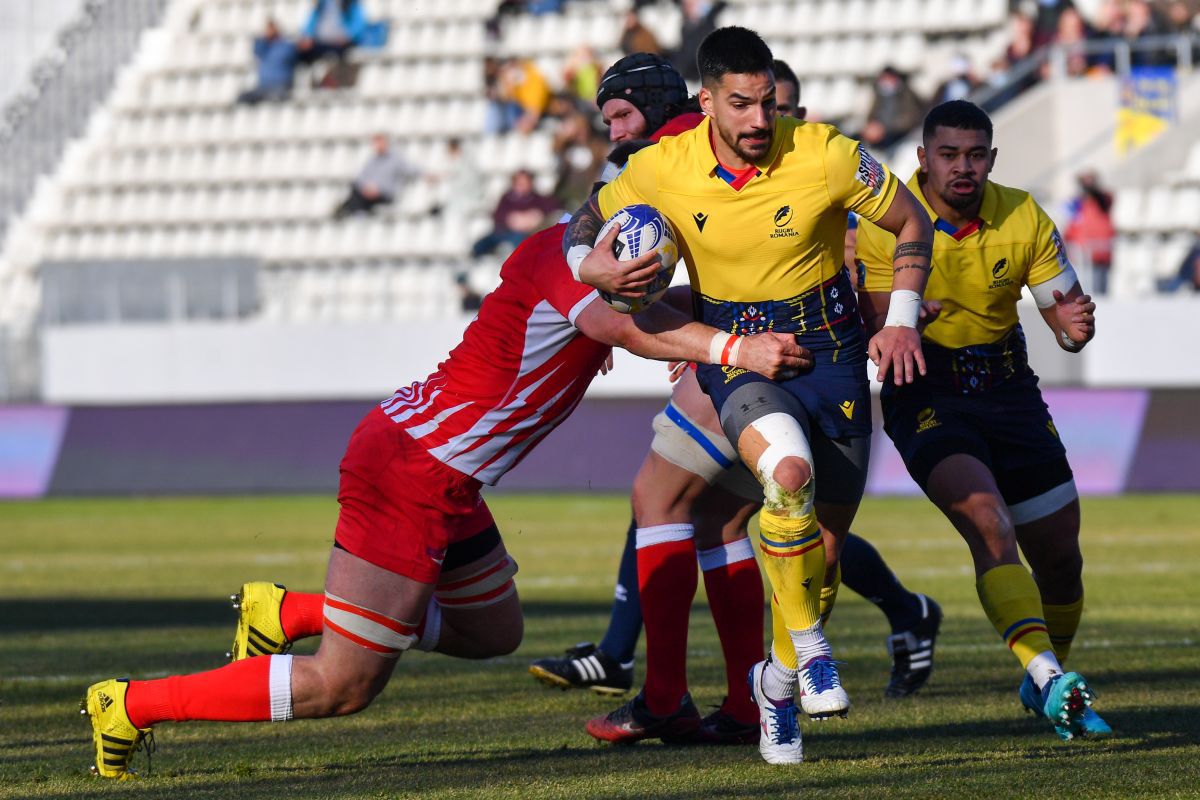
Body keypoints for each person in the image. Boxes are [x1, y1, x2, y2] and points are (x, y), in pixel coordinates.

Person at [80, 199, 808, 781]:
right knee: (343, 685)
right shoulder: (564, 262)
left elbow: (646, 310)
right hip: (409, 469)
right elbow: (626, 327)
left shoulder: (586, 259)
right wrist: (734, 346)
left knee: (494, 632)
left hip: (442, 475)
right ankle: (132, 704)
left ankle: (289, 609)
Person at [530, 60, 944, 745]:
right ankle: (723, 682)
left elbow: (867, 233)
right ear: (710, 102)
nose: (613, 133)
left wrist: (890, 311)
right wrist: (660, 310)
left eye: (621, 116)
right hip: (733, 357)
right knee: (735, 501)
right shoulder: (661, 167)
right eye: (746, 104)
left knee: (749, 525)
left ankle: (739, 687)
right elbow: (600, 238)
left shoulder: (792, 153)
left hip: (807, 352)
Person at [855, 99, 1112, 743]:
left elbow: (1064, 313)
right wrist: (905, 318)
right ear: (922, 159)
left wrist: (1074, 329)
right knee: (989, 523)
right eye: (948, 155)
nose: (962, 168)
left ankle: (1043, 672)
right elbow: (877, 316)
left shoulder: (1022, 212)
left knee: (1060, 559)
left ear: (991, 160)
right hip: (927, 389)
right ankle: (1054, 679)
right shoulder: (887, 218)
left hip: (1009, 388)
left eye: (975, 156)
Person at [471, 169, 560, 257]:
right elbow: (497, 215)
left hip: (523, 235)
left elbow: (553, 210)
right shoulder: (507, 198)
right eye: (519, 182)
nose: (522, 185)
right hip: (504, 232)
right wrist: (510, 219)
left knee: (519, 241)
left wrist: (536, 216)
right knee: (481, 244)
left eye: (525, 182)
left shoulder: (537, 199)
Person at [332, 133, 416, 219]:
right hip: (368, 194)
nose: (378, 146)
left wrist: (378, 189)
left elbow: (411, 168)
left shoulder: (396, 159)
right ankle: (355, 212)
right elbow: (361, 178)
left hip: (385, 194)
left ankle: (352, 211)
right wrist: (367, 188)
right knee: (355, 188)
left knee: (354, 199)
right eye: (376, 143)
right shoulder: (372, 161)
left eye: (380, 142)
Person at [1064, 170, 1115, 295]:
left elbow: (1105, 202)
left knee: (1100, 289)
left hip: (1101, 250)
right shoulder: (1076, 203)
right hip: (1081, 251)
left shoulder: (1104, 200)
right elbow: (1071, 224)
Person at [861, 65, 926, 153]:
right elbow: (872, 113)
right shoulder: (879, 93)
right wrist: (871, 125)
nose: (886, 81)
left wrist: (885, 129)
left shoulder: (906, 94)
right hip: (879, 131)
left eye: (888, 78)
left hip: (897, 133)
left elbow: (910, 118)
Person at [236, 18, 298, 105]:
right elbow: (256, 50)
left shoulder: (286, 46)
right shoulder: (265, 47)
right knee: (242, 98)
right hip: (263, 87)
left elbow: (288, 56)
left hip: (280, 86)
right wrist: (265, 39)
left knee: (276, 98)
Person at [296, 0, 366, 65]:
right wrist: (307, 36)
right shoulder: (323, 3)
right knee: (299, 51)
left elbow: (359, 24)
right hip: (320, 42)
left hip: (340, 44)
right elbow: (312, 21)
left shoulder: (349, 2)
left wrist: (348, 37)